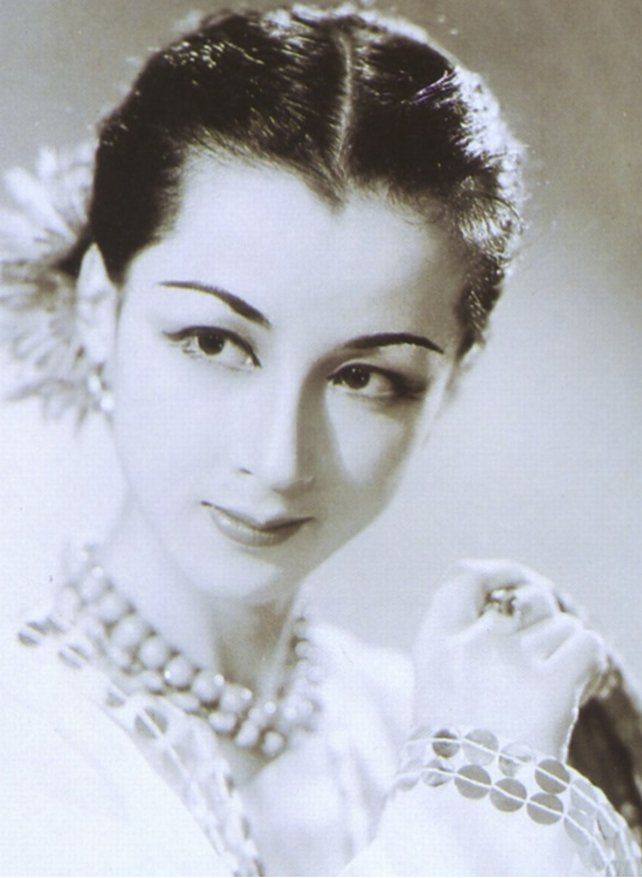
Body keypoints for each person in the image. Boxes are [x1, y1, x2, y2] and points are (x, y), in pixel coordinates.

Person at [0, 4, 640, 875]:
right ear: (97, 310)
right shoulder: (27, 741)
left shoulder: (409, 722)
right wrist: (485, 783)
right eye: (213, 343)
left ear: (450, 383)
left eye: (364, 378)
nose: (277, 459)